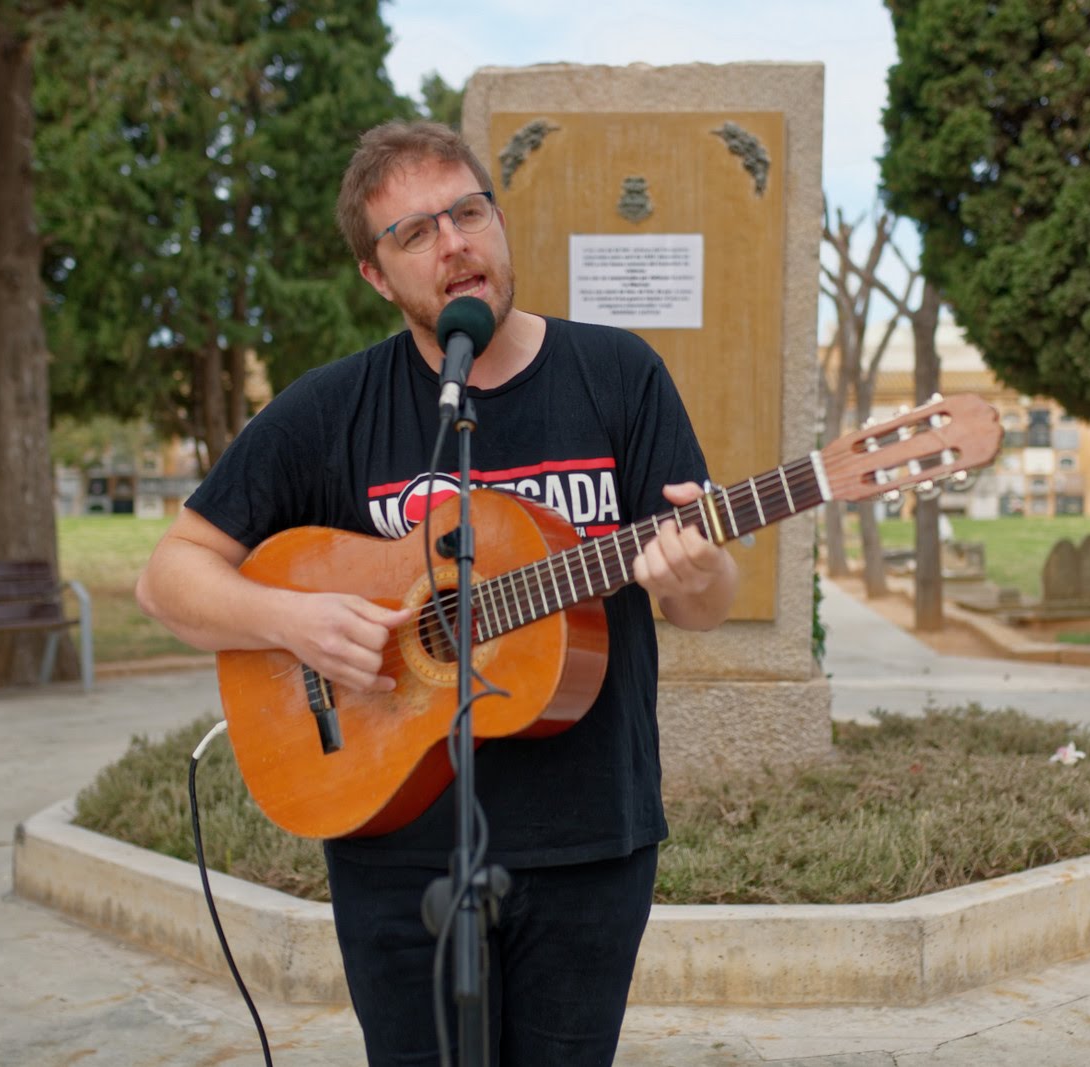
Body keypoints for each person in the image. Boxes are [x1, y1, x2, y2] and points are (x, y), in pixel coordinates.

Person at [136, 119, 739, 1066]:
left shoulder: (620, 376)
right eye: (416, 232)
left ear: (498, 221)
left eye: (467, 212)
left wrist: (700, 572)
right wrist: (291, 617)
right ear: (377, 277)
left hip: (591, 841)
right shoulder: (330, 408)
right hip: (392, 841)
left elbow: (699, 601)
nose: (454, 243)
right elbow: (170, 574)